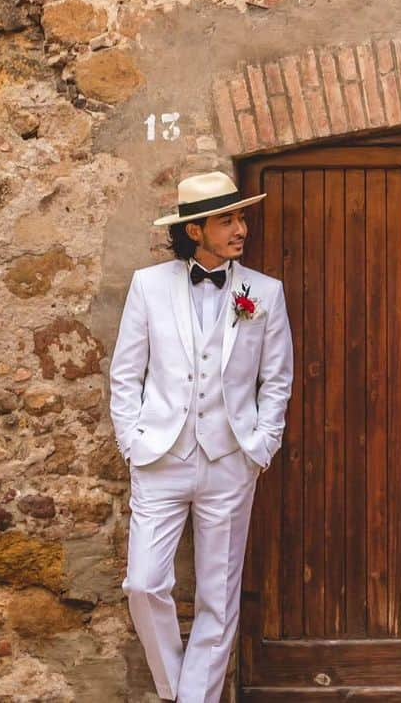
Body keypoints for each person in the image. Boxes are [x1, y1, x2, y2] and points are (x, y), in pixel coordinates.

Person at [109, 170, 294, 703]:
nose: (241, 229)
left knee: (219, 593)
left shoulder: (264, 292)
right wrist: (132, 441)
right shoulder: (149, 286)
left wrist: (261, 446)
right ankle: (177, 691)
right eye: (227, 219)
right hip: (160, 457)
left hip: (231, 459)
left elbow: (276, 379)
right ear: (195, 230)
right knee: (144, 583)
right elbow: (126, 374)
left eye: (241, 218)